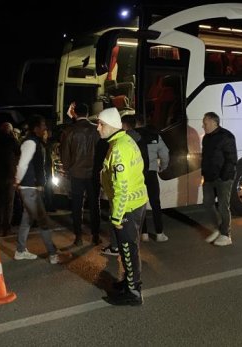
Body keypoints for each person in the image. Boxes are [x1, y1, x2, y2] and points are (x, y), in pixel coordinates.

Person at [97, 108, 148, 306]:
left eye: (101, 124)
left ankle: (133, 292)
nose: (98, 128)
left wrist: (117, 217)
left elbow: (122, 187)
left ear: (111, 125)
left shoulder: (119, 148)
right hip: (136, 203)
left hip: (127, 207)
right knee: (131, 248)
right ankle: (129, 282)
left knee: (128, 249)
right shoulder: (124, 141)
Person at [14, 115, 62, 265]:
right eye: (42, 126)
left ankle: (20, 250)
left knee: (27, 219)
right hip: (29, 187)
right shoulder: (30, 142)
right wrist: (18, 180)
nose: (45, 128)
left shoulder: (36, 142)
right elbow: (22, 164)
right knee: (43, 221)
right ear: (35, 128)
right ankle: (52, 253)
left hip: (30, 186)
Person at [60, 103, 100, 246]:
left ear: (75, 114)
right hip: (93, 174)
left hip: (76, 174)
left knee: (77, 205)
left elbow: (65, 154)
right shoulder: (96, 129)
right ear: (88, 113)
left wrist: (67, 168)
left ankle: (78, 237)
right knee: (95, 205)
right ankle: (95, 235)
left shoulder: (69, 131)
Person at [201, 111, 237, 247]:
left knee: (223, 205)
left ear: (213, 122)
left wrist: (223, 176)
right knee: (207, 203)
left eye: (205, 123)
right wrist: (204, 174)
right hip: (209, 178)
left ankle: (226, 235)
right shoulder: (206, 138)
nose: (203, 126)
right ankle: (218, 228)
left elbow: (231, 159)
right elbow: (206, 158)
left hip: (223, 178)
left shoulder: (226, 137)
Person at [133, 114, 169, 242]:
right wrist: (162, 167)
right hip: (152, 173)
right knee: (155, 203)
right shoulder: (155, 135)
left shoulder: (131, 136)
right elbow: (165, 154)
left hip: (137, 175)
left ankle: (144, 234)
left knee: (140, 203)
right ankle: (159, 233)